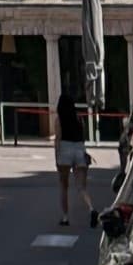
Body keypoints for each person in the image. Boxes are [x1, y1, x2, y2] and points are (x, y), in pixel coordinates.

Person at [53, 86, 93, 228]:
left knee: (64, 186)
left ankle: (65, 217)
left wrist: (56, 157)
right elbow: (83, 138)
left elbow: (58, 138)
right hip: (79, 149)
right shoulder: (79, 118)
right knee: (81, 187)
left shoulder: (59, 119)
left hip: (65, 149)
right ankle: (91, 209)